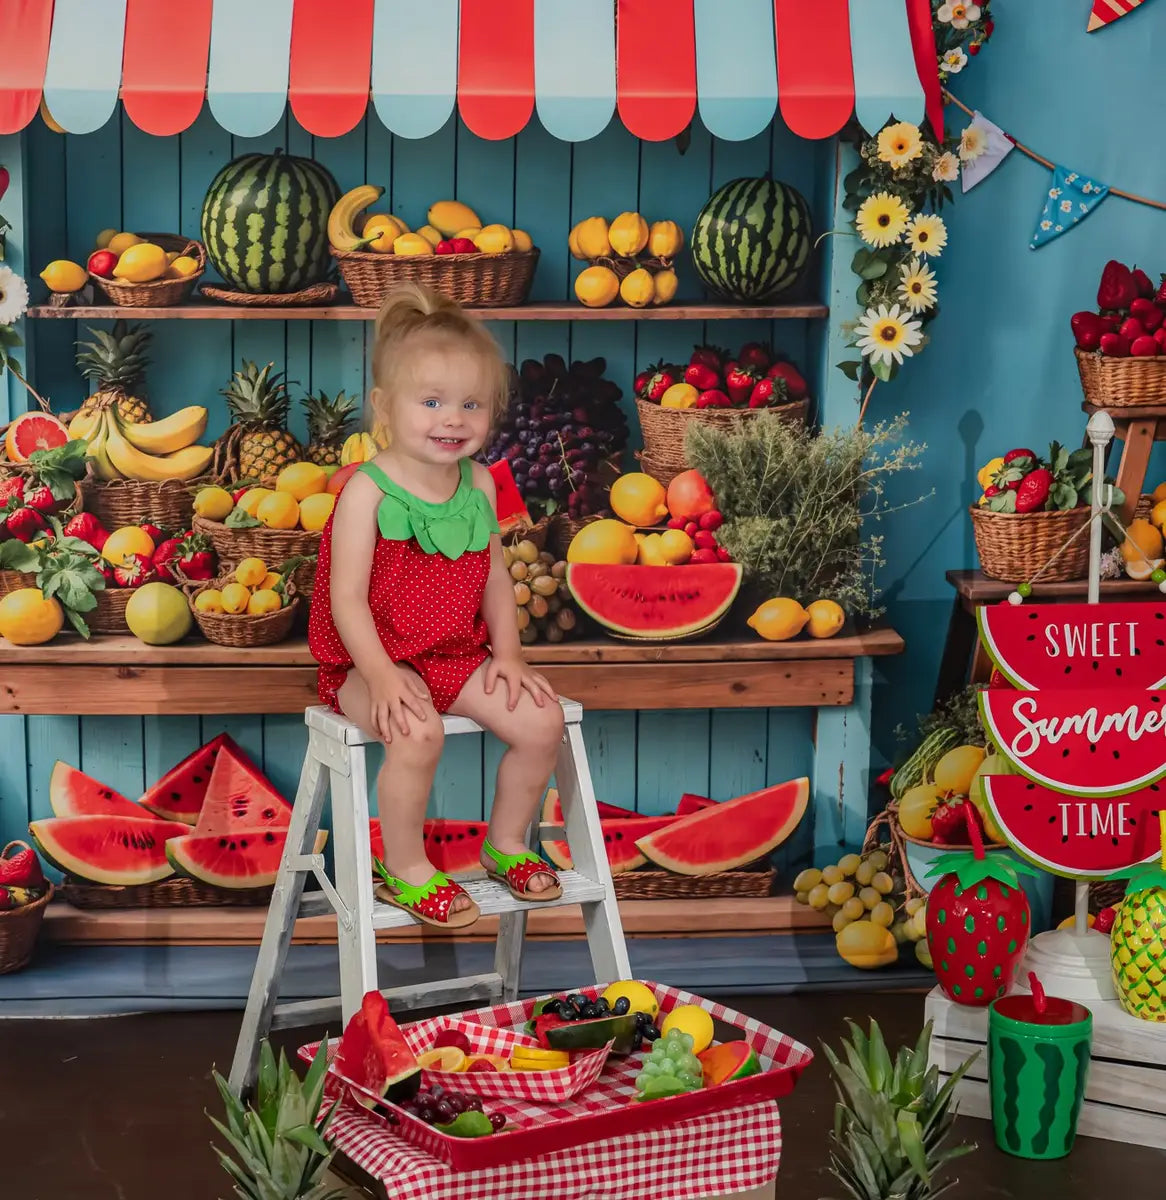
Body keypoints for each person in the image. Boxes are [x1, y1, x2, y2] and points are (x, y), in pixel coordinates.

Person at [308, 284, 564, 929]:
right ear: (385, 408)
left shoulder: (479, 482)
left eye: (471, 405)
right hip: (366, 665)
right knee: (416, 734)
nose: (453, 419)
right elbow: (346, 601)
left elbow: (496, 578)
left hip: (455, 655)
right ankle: (404, 867)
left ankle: (505, 844)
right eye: (431, 402)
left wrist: (507, 653)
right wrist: (383, 676)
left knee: (542, 723)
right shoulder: (365, 491)